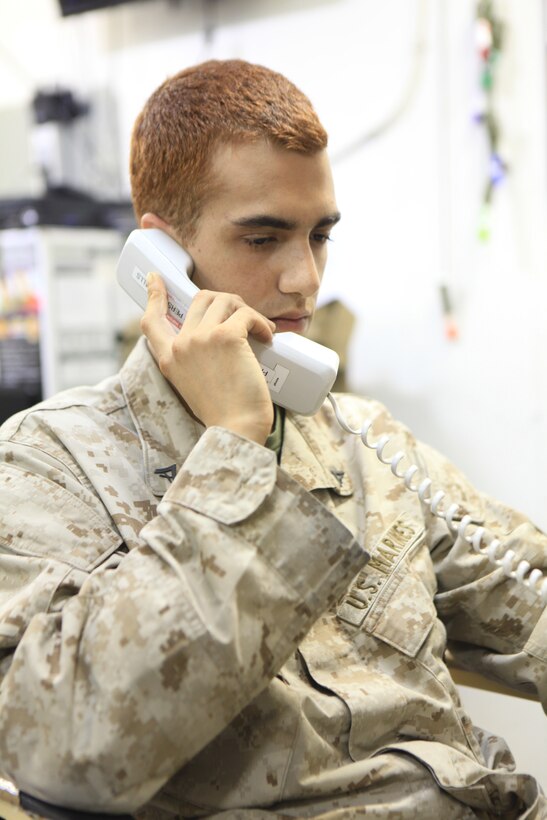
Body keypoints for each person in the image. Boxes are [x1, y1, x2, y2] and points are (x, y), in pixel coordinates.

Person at [0, 59, 545, 820]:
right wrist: (234, 447)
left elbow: (529, 599)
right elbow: (71, 749)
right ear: (160, 262)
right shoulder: (45, 464)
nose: (303, 280)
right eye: (263, 238)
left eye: (319, 236)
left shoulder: (363, 440)